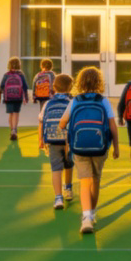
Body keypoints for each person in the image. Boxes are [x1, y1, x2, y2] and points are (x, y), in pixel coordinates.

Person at [59, 66, 119, 235]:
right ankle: (92, 213)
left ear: (80, 83)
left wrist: (68, 129)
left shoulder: (75, 101)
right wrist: (116, 146)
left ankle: (85, 218)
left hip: (79, 146)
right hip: (100, 146)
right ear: (99, 82)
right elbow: (112, 125)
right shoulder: (103, 100)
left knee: (85, 181)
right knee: (96, 180)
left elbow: (63, 123)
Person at [38, 73, 74, 209]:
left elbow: (41, 121)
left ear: (54, 87)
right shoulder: (72, 102)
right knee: (69, 165)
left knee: (56, 169)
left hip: (52, 140)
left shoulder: (48, 103)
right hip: (68, 141)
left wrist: (41, 140)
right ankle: (68, 189)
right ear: (70, 88)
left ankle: (58, 197)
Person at [0, 56, 29, 140]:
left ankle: (12, 130)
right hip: (18, 97)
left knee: (11, 114)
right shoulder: (21, 74)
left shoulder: (6, 75)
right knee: (16, 113)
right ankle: (15, 129)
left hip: (8, 98)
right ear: (19, 65)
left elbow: (2, 86)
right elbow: (25, 86)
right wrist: (26, 97)